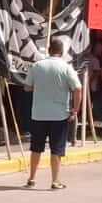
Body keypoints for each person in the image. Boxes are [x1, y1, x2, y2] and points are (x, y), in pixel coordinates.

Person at [23, 40, 82, 190]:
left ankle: (32, 178)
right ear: (62, 52)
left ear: (49, 50)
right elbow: (77, 89)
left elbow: (27, 87)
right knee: (57, 148)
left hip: (38, 114)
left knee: (36, 147)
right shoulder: (66, 67)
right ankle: (55, 181)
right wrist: (75, 109)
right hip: (59, 114)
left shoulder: (37, 66)